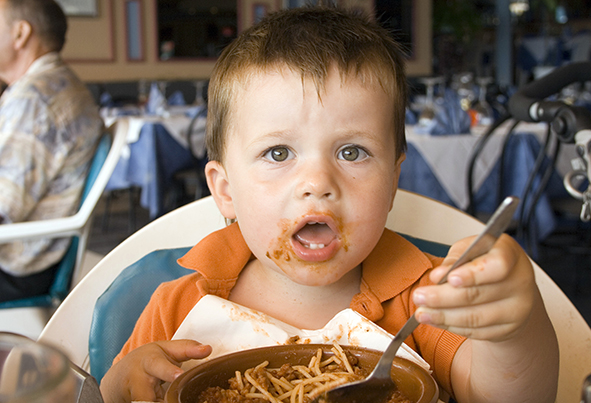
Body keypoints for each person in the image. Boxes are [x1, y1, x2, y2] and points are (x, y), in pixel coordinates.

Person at [100, 5, 559, 403]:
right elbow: (109, 394)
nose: (317, 182)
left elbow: (509, 395)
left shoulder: (424, 301)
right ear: (225, 190)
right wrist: (121, 385)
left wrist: (513, 331)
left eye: (352, 152)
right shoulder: (178, 306)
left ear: (394, 179)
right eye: (278, 153)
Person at [0, 0, 102, 302]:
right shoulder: (54, 84)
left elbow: (4, 208)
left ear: (20, 34)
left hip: (19, 264)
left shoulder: (34, 99)